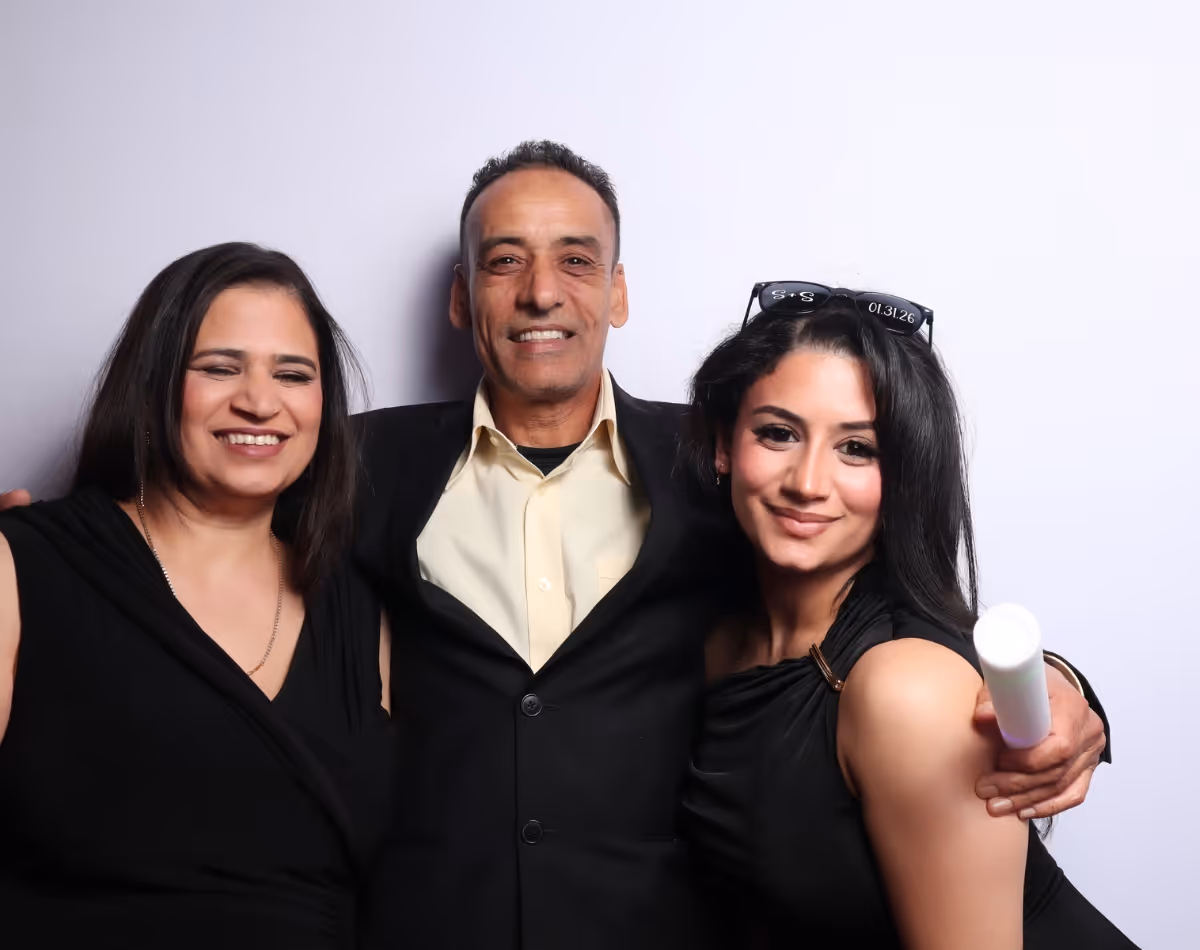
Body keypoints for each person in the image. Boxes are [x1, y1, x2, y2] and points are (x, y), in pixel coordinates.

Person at [1, 143, 1110, 950]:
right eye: (505, 261)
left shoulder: (733, 463)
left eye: (578, 259)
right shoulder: (352, 464)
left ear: (618, 293)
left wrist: (1060, 688)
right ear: (459, 299)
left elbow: (877, 598)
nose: (543, 291)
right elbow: (189, 505)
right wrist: (39, 536)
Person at [680, 285, 1135, 948]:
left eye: (857, 449)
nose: (808, 481)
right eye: (778, 433)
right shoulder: (719, 634)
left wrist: (1059, 683)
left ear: (905, 477)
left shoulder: (905, 690)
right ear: (724, 446)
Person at [0, 243, 393, 948]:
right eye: (219, 367)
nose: (260, 400)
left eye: (293, 374)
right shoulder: (23, 564)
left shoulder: (363, 613)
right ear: (153, 386)